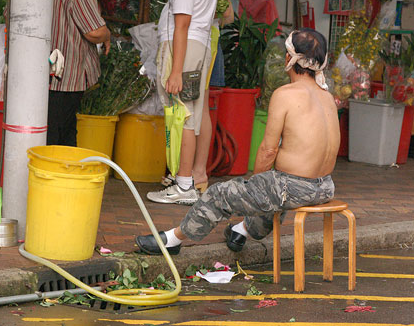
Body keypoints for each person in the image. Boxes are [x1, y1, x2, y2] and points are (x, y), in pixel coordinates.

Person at [136, 28, 340, 255]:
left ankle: (172, 240)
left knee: (220, 194)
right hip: (324, 187)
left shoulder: (286, 94)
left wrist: (254, 185)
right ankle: (241, 231)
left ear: (289, 58)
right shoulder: (327, 96)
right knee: (269, 188)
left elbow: (268, 150)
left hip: (293, 187)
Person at [151, 0, 234, 193]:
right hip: (198, 47)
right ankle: (184, 181)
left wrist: (176, 71)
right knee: (189, 114)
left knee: (182, 113)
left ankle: (184, 183)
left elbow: (182, 25)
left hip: (185, 49)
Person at [48, 0, 111, 146]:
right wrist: (106, 34)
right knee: (60, 136)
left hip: (34, 77)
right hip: (65, 77)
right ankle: (61, 175)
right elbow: (94, 32)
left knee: (50, 131)